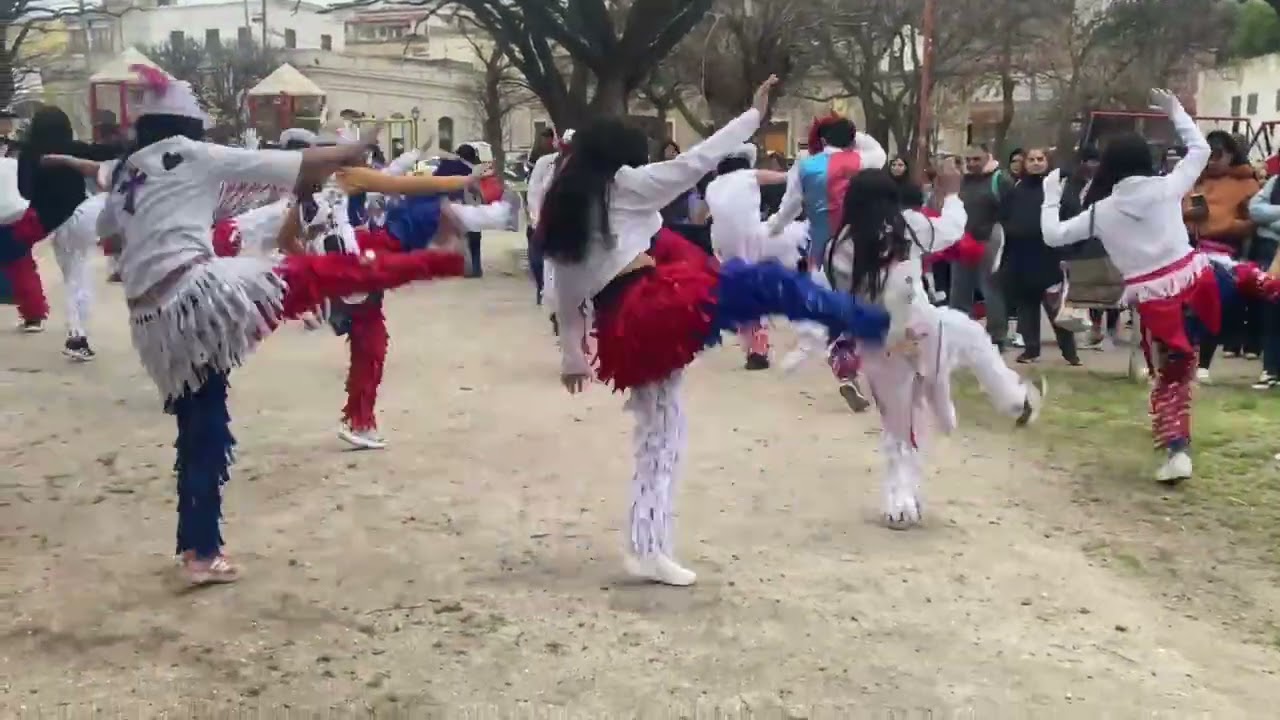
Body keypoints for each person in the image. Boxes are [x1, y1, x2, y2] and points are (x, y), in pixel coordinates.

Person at [81, 65, 468, 585]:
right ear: (185, 126)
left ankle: (199, 549)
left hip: (152, 320)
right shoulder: (193, 155)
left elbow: (105, 222)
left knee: (200, 423)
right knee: (326, 275)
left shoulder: (130, 171)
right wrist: (355, 148)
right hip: (198, 295)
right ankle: (442, 260)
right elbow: (291, 162)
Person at [540, 76, 890, 586]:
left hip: (625, 321)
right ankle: (868, 322)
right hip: (651, 307)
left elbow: (565, 286)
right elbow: (696, 162)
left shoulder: (569, 203)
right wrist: (752, 117)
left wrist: (572, 351)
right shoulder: (625, 187)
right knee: (765, 286)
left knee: (660, 433)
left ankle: (647, 543)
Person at [1040, 89, 1280, 484]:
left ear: (1108, 167)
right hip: (1200, 279)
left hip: (1159, 308)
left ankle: (1177, 451)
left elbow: (1052, 236)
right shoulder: (1166, 187)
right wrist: (1176, 113)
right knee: (1249, 276)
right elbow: (1199, 151)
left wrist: (1050, 197)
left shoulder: (1101, 211)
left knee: (1172, 381)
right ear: (1145, 160)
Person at [825, 165, 1045, 529]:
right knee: (973, 338)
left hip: (879, 341)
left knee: (899, 420)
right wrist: (952, 193)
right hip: (924, 329)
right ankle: (1013, 399)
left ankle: (900, 498)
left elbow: (835, 298)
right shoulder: (908, 225)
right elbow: (954, 227)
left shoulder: (839, 246)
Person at [765, 107, 887, 409]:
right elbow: (878, 151)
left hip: (821, 252)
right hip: (859, 248)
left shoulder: (806, 166)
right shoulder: (863, 159)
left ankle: (846, 371)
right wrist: (850, 132)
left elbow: (789, 208)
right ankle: (878, 372)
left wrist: (771, 230)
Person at [14, 105, 121, 357]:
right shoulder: (72, 147)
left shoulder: (28, 153)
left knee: (73, 277)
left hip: (55, 224)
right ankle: (78, 332)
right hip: (84, 214)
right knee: (81, 272)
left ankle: (77, 335)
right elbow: (105, 152)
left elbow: (24, 192)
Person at [703, 143, 804, 370]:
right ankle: (759, 347)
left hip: (721, 242)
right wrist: (800, 164)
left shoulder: (713, 186)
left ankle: (753, 346)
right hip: (751, 238)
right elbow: (784, 178)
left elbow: (706, 215)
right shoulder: (750, 176)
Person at [1185, 130, 1261, 381]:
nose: (1213, 161)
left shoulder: (1247, 184)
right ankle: (1183, 358)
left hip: (1226, 254)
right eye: (1210, 155)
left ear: (1230, 155)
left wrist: (1226, 226)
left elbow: (1253, 221)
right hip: (1190, 249)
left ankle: (1204, 362)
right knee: (1183, 305)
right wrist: (1189, 217)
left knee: (1214, 304)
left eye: (1218, 155)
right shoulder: (1195, 179)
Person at [999, 148, 1081, 365]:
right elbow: (1004, 218)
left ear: (1048, 162)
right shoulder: (1015, 190)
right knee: (1027, 306)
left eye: (1040, 159)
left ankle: (1069, 351)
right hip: (1022, 256)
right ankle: (1031, 348)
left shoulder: (1058, 189)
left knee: (1056, 307)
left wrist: (1069, 253)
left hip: (1051, 256)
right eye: (1031, 160)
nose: (1036, 163)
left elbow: (1073, 218)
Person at [953, 143, 1015, 348]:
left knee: (991, 289)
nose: (971, 164)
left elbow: (1010, 212)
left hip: (989, 240)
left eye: (976, 159)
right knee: (959, 290)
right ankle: (959, 333)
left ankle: (997, 336)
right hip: (961, 240)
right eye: (968, 160)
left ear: (988, 157)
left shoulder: (1000, 179)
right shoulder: (962, 181)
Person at [1248, 172, 1280, 386]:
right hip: (1271, 252)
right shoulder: (1276, 181)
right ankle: (1271, 369)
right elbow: (1255, 210)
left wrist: (1272, 223)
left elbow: (1263, 218)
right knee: (1271, 310)